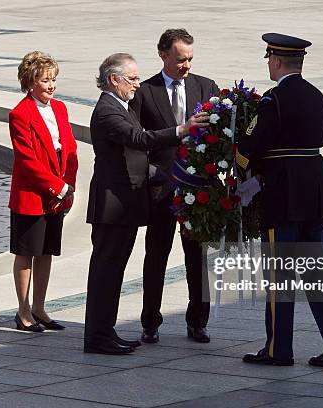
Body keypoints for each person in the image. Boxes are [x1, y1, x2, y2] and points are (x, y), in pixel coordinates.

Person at [236, 33, 323, 367]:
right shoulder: (317, 96)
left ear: (275, 61)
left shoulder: (274, 99)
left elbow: (251, 147)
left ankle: (278, 349)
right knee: (318, 270)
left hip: (283, 192)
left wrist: (239, 164)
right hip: (317, 189)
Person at [84, 53, 209, 355]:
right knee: (105, 272)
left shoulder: (120, 105)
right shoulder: (107, 110)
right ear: (113, 80)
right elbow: (138, 139)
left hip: (124, 204)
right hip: (112, 206)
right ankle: (98, 336)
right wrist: (181, 130)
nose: (138, 85)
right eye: (132, 79)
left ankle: (106, 332)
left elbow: (133, 156)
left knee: (113, 273)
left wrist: (160, 175)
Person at [130, 28, 219, 344]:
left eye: (190, 59)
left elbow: (218, 134)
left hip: (198, 187)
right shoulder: (145, 91)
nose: (186, 66)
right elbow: (136, 139)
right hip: (160, 189)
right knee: (156, 255)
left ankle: (198, 321)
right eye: (181, 59)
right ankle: (150, 322)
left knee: (197, 257)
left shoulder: (205, 87)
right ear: (163, 54)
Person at [8, 51, 78, 332]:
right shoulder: (20, 114)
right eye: (45, 80)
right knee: (27, 252)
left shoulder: (60, 108)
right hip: (32, 195)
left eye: (53, 80)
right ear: (30, 82)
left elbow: (70, 147)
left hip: (57, 193)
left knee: (46, 251)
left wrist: (68, 185)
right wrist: (57, 186)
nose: (51, 85)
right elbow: (27, 160)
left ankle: (40, 307)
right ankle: (23, 310)